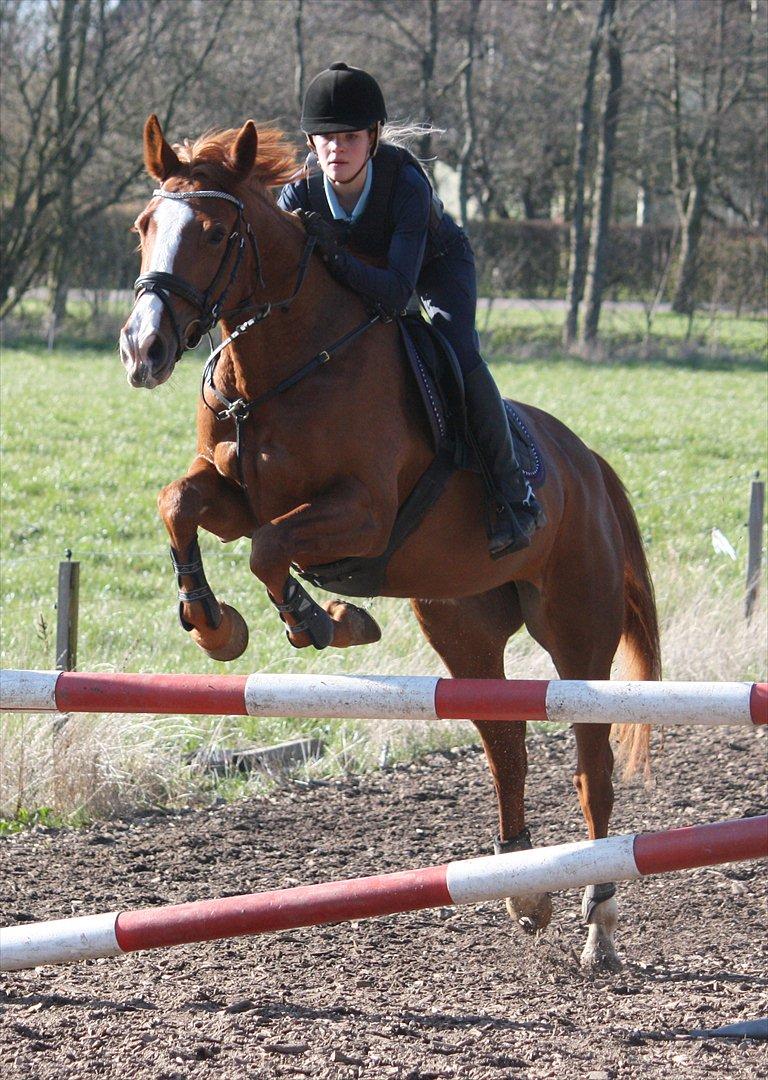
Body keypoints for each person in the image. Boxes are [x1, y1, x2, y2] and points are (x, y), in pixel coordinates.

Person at [277, 62, 542, 558]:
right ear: (311, 144)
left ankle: (513, 494)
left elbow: (398, 295)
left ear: (374, 138)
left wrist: (334, 256)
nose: (338, 148)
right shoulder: (297, 194)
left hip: (433, 267)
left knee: (455, 350)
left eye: (351, 136)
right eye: (326, 137)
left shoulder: (406, 183)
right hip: (364, 272)